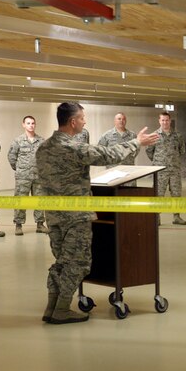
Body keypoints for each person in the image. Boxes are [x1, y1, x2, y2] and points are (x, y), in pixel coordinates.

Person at [35, 102, 158, 325]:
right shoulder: (73, 147)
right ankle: (62, 310)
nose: (84, 121)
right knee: (78, 263)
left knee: (61, 262)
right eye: (82, 117)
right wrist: (137, 142)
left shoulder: (44, 148)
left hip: (53, 215)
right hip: (76, 216)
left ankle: (51, 306)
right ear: (72, 122)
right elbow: (107, 154)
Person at [7, 115, 47, 235]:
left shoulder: (42, 141)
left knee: (39, 200)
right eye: (28, 123)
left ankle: (40, 224)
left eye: (33, 123)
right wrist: (20, 169)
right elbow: (11, 157)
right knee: (20, 200)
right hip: (23, 177)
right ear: (23, 125)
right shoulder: (18, 141)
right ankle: (18, 225)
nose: (31, 125)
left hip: (38, 177)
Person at [146, 112, 186, 225]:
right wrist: (159, 162)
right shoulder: (154, 135)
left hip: (174, 170)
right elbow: (149, 152)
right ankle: (156, 217)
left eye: (167, 120)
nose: (165, 122)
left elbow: (181, 150)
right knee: (158, 194)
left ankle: (177, 217)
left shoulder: (177, 135)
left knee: (176, 194)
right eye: (162, 120)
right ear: (159, 121)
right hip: (160, 171)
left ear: (170, 121)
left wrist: (173, 160)